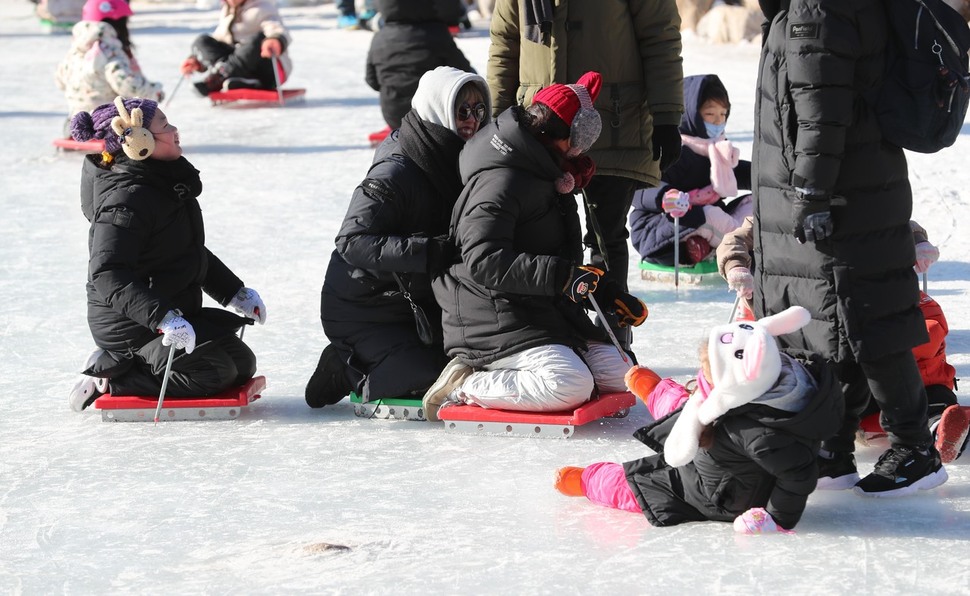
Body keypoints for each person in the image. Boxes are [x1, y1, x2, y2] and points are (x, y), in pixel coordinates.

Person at [752, 1, 947, 496]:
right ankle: (833, 448)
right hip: (850, 182)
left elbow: (822, 107)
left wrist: (812, 194)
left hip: (841, 191)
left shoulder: (819, 7)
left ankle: (914, 448)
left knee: (867, 321)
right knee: (832, 323)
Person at [421, 72, 649, 421]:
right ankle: (464, 383)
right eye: (578, 141)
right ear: (554, 135)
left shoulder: (546, 173)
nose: (580, 152)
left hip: (540, 309)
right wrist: (562, 277)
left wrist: (605, 292)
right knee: (570, 384)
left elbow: (559, 259)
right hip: (491, 312)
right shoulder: (502, 180)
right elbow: (484, 260)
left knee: (624, 377)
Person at [487, 0, 684, 350]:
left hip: (611, 122)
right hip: (539, 125)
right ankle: (551, 329)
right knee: (540, 233)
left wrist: (667, 115)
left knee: (605, 237)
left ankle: (612, 331)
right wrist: (499, 119)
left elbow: (659, 36)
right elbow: (506, 42)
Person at [555, 306, 843, 533]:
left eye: (709, 372)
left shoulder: (762, 437)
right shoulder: (773, 380)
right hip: (725, 453)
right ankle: (655, 390)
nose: (702, 374)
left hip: (717, 491)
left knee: (642, 486)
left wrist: (776, 519)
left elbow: (800, 475)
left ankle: (589, 481)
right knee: (690, 405)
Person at [304, 67, 491, 408]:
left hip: (410, 299)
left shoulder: (450, 153)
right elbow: (351, 241)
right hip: (363, 305)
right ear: (438, 110)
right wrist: (430, 251)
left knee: (470, 359)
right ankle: (346, 368)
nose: (472, 121)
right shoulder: (397, 170)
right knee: (435, 376)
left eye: (479, 110)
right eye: (462, 111)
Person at [67, 96, 266, 412]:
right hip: (132, 325)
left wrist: (234, 292)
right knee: (214, 372)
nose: (174, 129)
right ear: (139, 141)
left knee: (242, 364)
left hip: (170, 311)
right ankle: (111, 377)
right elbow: (107, 274)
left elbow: (185, 252)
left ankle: (139, 363)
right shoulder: (127, 201)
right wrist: (161, 317)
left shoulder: (163, 182)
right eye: (164, 125)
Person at [629, 74, 752, 267]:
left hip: (702, 224)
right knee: (711, 215)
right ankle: (741, 246)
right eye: (710, 115)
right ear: (691, 114)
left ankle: (714, 245)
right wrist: (665, 197)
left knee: (754, 203)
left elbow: (741, 173)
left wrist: (769, 177)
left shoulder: (717, 151)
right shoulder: (672, 150)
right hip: (660, 227)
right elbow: (639, 186)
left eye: (723, 114)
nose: (718, 122)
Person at [364, 0, 474, 138]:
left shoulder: (380, 37)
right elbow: (463, 70)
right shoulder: (437, 33)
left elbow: (371, 80)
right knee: (470, 79)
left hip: (393, 115)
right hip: (433, 118)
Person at [55, 0, 163, 130]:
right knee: (154, 123)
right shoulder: (109, 51)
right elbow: (129, 86)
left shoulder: (75, 50)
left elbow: (59, 80)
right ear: (118, 23)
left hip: (76, 121)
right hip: (107, 123)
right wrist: (153, 92)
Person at [180, 0, 292, 97]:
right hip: (238, 66)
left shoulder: (263, 7)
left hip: (267, 69)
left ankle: (220, 77)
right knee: (202, 41)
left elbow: (278, 29)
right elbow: (220, 39)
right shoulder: (227, 10)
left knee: (258, 39)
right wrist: (198, 60)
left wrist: (274, 40)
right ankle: (232, 78)